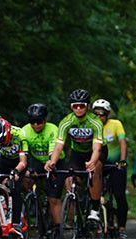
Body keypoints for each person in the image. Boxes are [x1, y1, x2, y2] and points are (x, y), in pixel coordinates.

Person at [45, 89, 105, 222]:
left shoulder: (95, 122)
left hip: (95, 151)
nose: (78, 109)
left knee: (95, 169)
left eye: (82, 105)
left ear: (88, 106)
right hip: (77, 152)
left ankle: (95, 209)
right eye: (75, 106)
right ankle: (75, 211)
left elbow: (97, 148)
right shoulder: (66, 122)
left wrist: (93, 162)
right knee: (69, 178)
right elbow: (59, 145)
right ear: (71, 107)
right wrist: (52, 161)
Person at [21, 103, 65, 239]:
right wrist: (26, 169)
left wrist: (51, 162)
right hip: (37, 161)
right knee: (26, 177)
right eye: (32, 122)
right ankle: (31, 201)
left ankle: (58, 230)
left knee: (53, 198)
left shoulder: (53, 129)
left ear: (45, 120)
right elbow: (23, 153)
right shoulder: (25, 131)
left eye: (39, 121)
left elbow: (54, 150)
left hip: (56, 161)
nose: (36, 125)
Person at [92, 99, 128, 239]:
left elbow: (123, 143)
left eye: (103, 114)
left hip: (115, 164)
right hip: (99, 163)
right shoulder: (91, 126)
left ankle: (122, 227)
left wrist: (123, 161)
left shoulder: (116, 124)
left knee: (119, 195)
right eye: (96, 114)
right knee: (94, 192)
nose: (100, 117)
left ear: (108, 114)